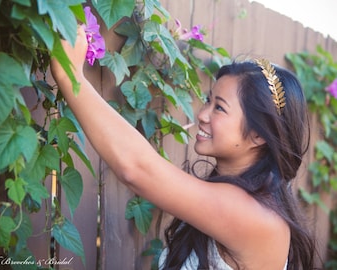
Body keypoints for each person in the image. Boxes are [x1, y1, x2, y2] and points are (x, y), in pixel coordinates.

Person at [50, 27, 316, 270]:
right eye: (208, 100)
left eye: (219, 108)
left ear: (258, 135)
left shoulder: (256, 215)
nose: (202, 114)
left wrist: (69, 76)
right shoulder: (239, 196)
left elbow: (137, 168)